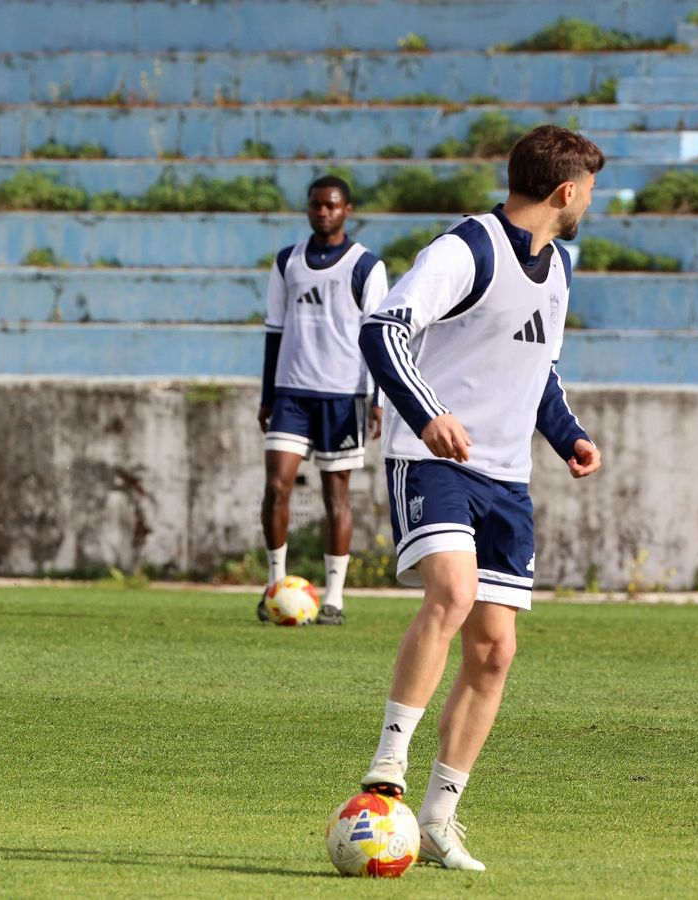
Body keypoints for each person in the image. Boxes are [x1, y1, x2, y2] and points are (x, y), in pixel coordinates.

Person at [354, 125, 604, 870]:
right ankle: (386, 769)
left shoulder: (559, 267)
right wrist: (428, 413)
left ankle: (437, 817)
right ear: (566, 192)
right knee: (453, 592)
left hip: (506, 478)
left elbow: (541, 372)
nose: (590, 201)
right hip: (431, 461)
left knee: (495, 650)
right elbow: (383, 329)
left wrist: (569, 437)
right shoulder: (466, 249)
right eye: (588, 189)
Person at [258, 175, 387, 625]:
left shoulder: (366, 266)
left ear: (347, 209)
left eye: (331, 205)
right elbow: (275, 330)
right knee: (277, 486)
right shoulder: (287, 262)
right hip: (292, 392)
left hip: (342, 394)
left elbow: (379, 336)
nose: (322, 212)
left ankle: (334, 596)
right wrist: (267, 394)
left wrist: (377, 399)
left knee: (337, 496)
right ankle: (275, 584)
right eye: (315, 205)